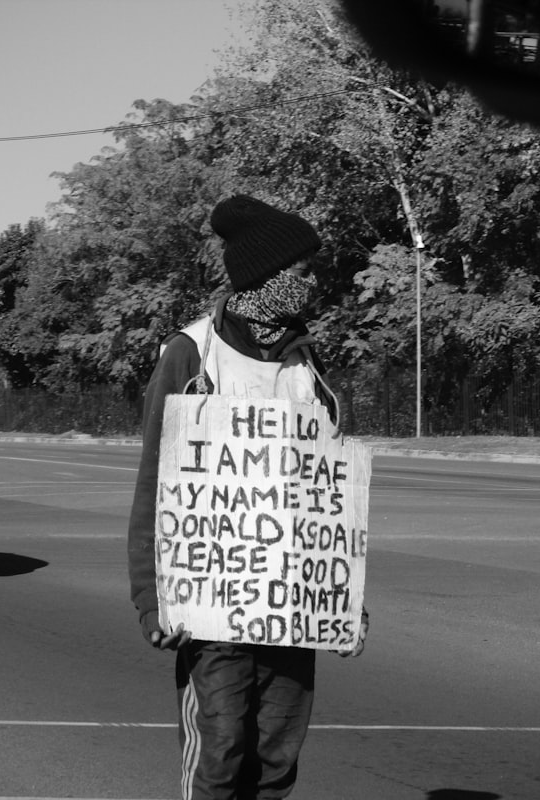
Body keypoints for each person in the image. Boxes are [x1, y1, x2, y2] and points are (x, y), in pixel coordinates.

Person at [127, 194, 368, 799]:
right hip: (210, 605)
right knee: (219, 757)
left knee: (276, 762)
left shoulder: (305, 363)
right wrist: (152, 601)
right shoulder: (192, 354)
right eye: (302, 271)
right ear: (268, 275)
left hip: (293, 604)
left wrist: (345, 603)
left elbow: (329, 495)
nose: (312, 283)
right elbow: (154, 482)